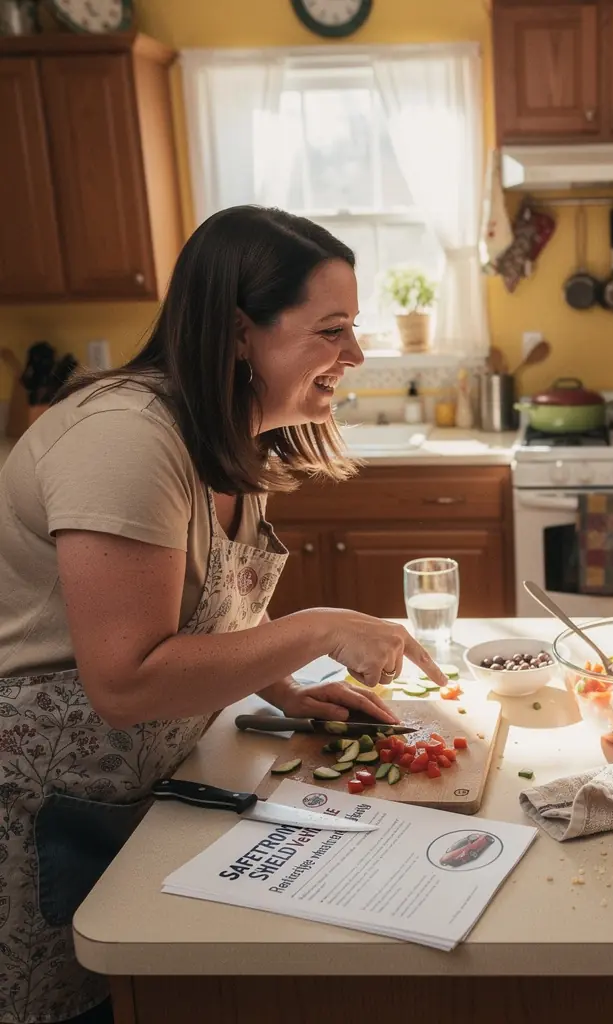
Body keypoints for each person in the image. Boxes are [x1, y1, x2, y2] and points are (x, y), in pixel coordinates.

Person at [0, 205, 448, 1024]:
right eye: (332, 329)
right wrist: (317, 629)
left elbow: (189, 619)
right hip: (36, 813)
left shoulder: (225, 432)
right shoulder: (125, 440)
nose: (356, 353)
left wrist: (282, 686)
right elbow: (126, 681)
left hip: (134, 789)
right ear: (243, 333)